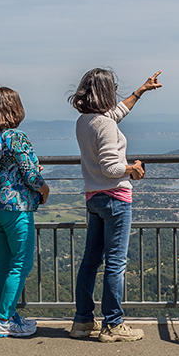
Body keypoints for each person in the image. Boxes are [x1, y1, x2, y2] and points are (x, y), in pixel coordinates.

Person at [70, 68, 162, 342]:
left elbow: (117, 113)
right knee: (115, 263)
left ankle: (83, 321)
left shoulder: (85, 121)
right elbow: (111, 167)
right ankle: (113, 325)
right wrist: (132, 169)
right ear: (105, 91)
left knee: (90, 261)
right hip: (115, 198)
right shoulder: (104, 124)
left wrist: (141, 91)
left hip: (94, 198)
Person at [0, 87, 50, 338]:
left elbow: (1, 168)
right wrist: (44, 187)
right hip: (17, 207)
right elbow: (30, 175)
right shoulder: (16, 137)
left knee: (4, 262)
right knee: (21, 262)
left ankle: (3, 314)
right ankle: (5, 319)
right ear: (15, 109)